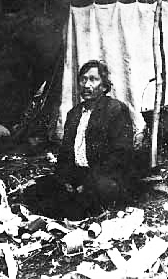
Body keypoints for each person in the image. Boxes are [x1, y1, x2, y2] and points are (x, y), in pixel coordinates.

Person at [27, 60, 148, 219]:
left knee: (95, 193)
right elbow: (65, 155)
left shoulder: (115, 109)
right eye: (83, 79)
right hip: (79, 175)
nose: (86, 84)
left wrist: (88, 183)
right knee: (37, 189)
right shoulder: (74, 114)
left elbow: (120, 155)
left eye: (93, 79)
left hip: (105, 176)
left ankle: (74, 207)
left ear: (104, 86)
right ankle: (70, 204)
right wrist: (65, 181)